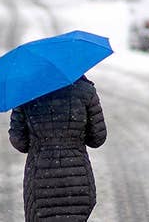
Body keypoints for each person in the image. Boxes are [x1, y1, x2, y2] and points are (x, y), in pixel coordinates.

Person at [8, 75, 107, 222]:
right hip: (77, 178)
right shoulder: (86, 90)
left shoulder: (26, 94)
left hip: (40, 179)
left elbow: (20, 142)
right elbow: (97, 139)